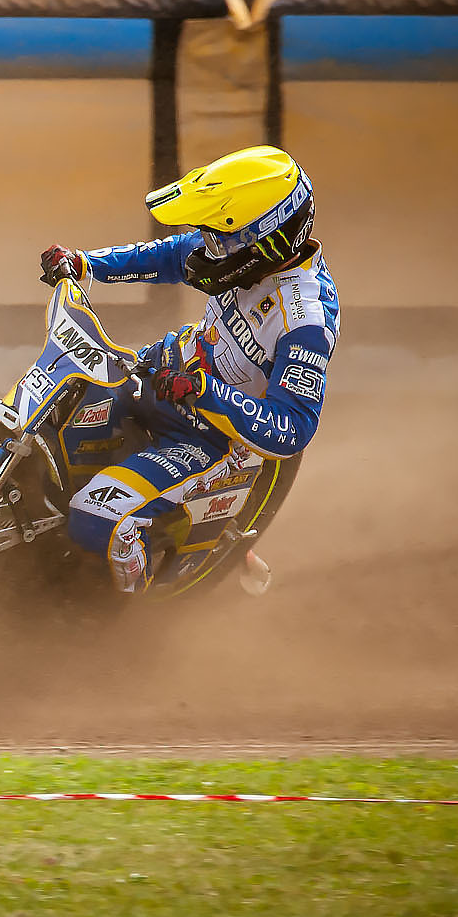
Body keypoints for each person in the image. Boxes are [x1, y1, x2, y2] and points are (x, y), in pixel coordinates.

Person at [40, 144, 335, 596]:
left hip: (211, 437)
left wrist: (203, 391)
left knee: (94, 516)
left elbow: (292, 428)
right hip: (159, 376)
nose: (208, 248)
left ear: (271, 241)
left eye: (221, 238)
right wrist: (87, 264)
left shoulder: (305, 319)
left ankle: (125, 612)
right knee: (54, 430)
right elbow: (171, 255)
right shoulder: (242, 254)